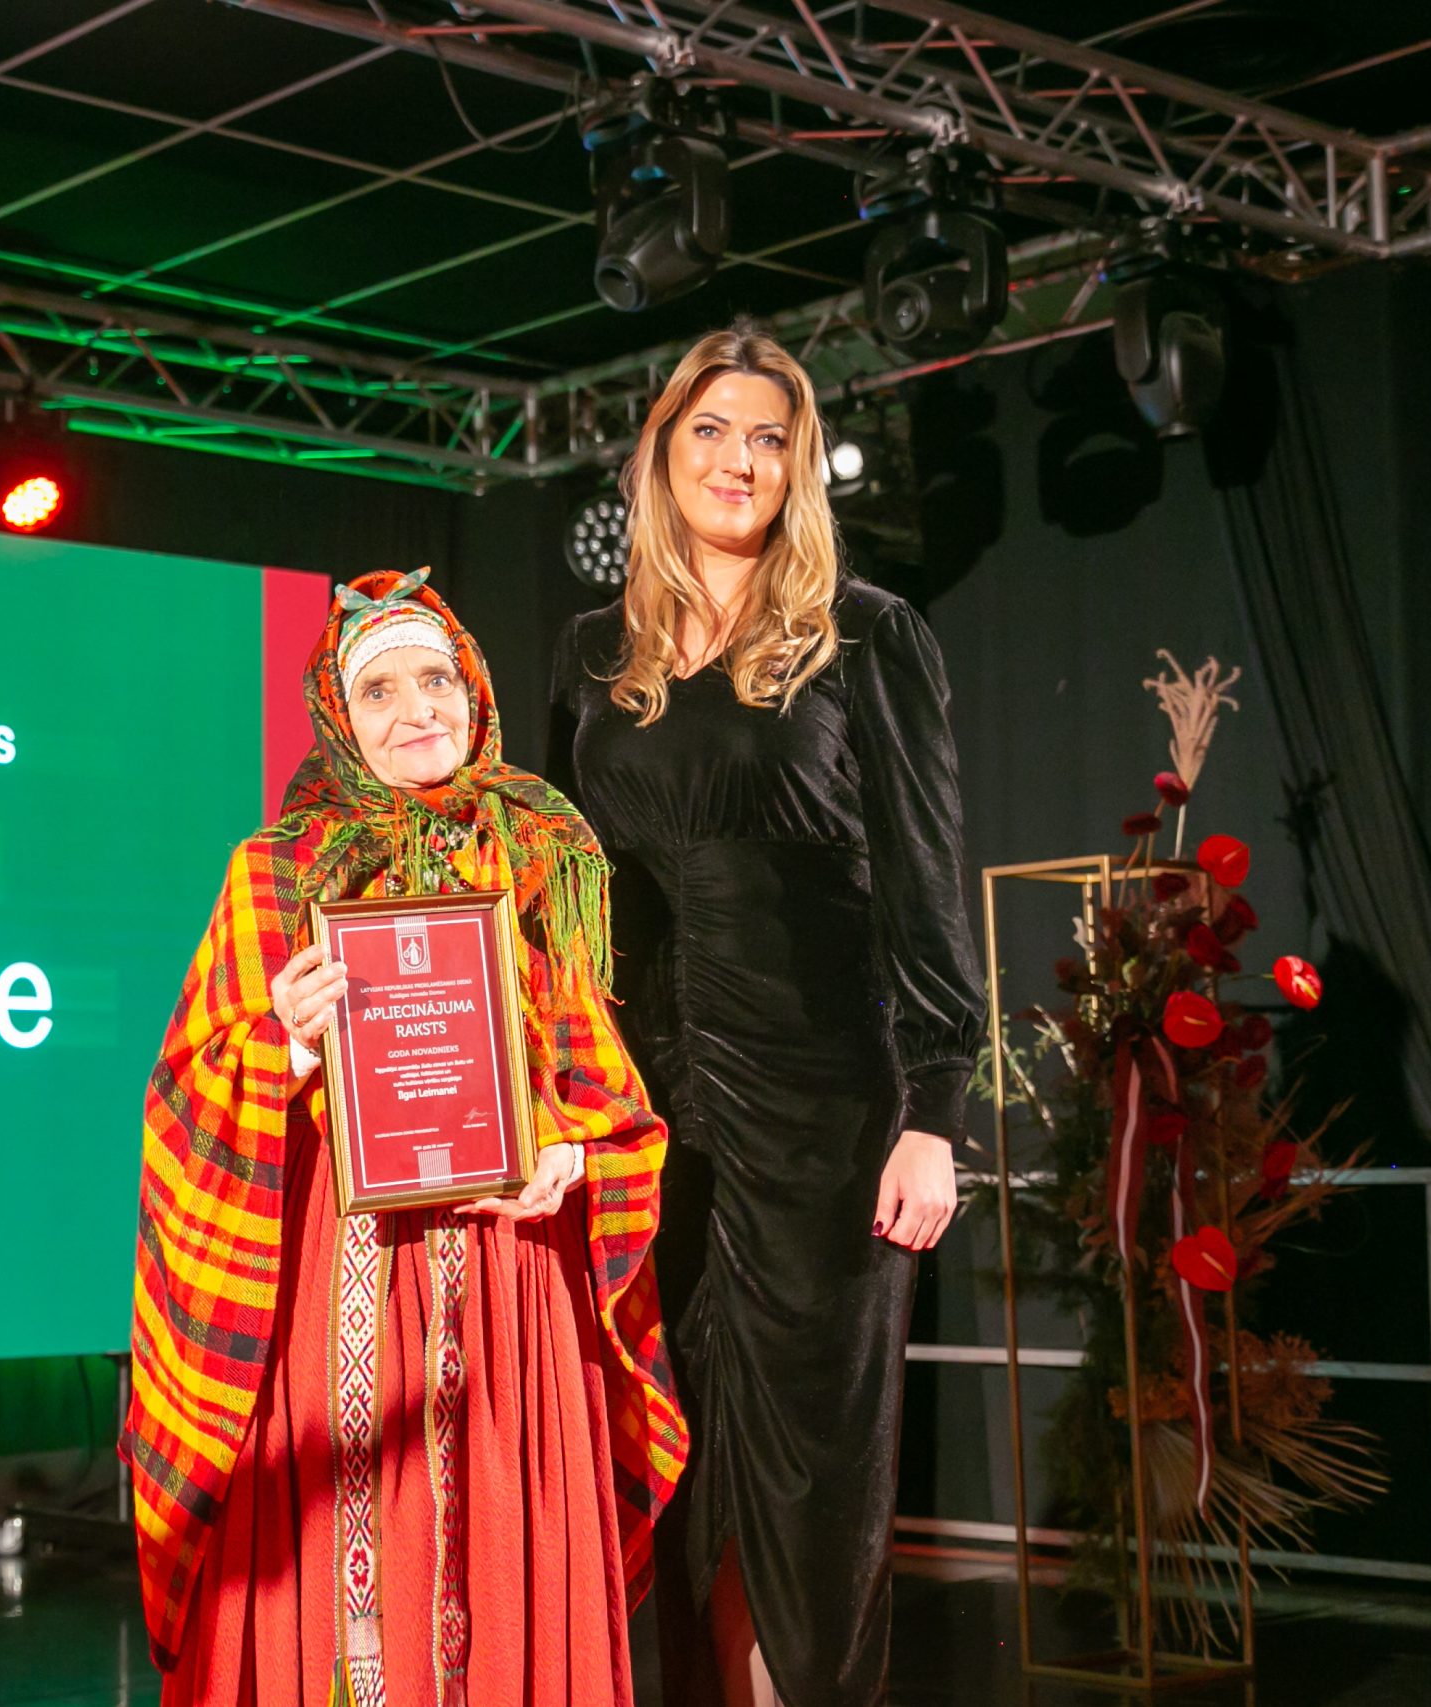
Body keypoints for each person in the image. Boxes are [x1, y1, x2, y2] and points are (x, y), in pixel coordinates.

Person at [126, 567, 687, 1707]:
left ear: (475, 695)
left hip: (508, 1277)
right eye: (377, 690)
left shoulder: (539, 859)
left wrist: (567, 1157)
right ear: (338, 720)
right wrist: (285, 1042)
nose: (416, 708)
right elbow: (184, 1101)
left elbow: (604, 1092)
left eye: (437, 679)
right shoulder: (274, 873)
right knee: (350, 1568)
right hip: (340, 1273)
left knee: (501, 1550)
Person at [545, 323, 986, 1707]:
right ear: (659, 454)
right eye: (711, 431)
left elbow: (923, 885)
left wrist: (936, 1113)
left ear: (799, 468)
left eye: (769, 437)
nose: (738, 460)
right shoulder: (589, 654)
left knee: (812, 1485)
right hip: (644, 1123)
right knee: (670, 1463)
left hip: (825, 1115)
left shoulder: (867, 634)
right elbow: (550, 895)